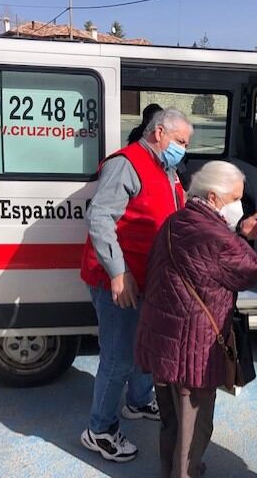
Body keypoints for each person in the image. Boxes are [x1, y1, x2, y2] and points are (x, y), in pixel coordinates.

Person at [135, 161, 257, 478]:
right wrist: (242, 236)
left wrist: (234, 231)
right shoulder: (216, 236)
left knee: (172, 420)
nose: (239, 206)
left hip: (161, 338)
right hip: (194, 346)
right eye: (234, 199)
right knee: (195, 426)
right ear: (212, 197)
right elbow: (251, 270)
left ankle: (171, 470)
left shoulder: (175, 220)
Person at [79, 108, 193, 462]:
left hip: (148, 279)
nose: (183, 150)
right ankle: (99, 430)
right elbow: (99, 218)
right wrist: (117, 272)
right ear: (159, 133)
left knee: (145, 346)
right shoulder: (127, 164)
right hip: (118, 280)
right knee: (119, 358)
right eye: (180, 142)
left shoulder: (165, 168)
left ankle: (139, 401)